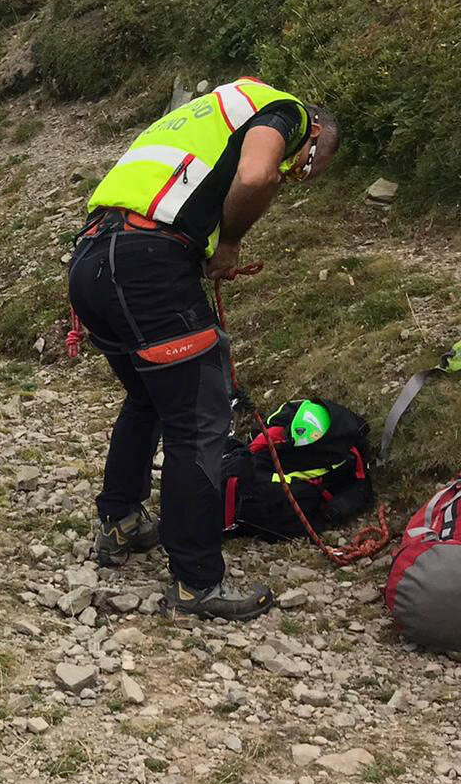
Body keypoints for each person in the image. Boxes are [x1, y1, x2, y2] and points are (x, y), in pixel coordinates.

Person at [69, 79, 339, 621]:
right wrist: (232, 241)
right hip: (149, 266)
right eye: (308, 164)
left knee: (148, 399)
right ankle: (198, 582)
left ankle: (121, 523)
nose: (297, 174)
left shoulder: (200, 117)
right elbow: (257, 174)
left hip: (92, 260)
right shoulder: (282, 110)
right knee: (199, 421)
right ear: (315, 134)